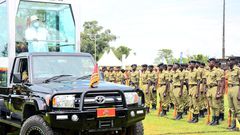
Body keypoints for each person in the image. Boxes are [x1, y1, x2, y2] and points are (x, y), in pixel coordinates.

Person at [206, 58, 222, 126]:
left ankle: (216, 120)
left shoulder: (217, 71)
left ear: (214, 63)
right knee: (211, 105)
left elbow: (219, 82)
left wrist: (218, 92)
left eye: (210, 62)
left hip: (215, 88)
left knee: (216, 105)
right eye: (209, 62)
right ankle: (213, 119)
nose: (209, 63)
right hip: (209, 89)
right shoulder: (208, 71)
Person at [226, 58, 240, 130]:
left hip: (236, 88)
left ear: (234, 62)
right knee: (232, 108)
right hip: (229, 88)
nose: (229, 62)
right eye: (228, 61)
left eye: (230, 60)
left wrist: (239, 94)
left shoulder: (238, 69)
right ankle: (234, 125)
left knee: (237, 108)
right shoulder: (228, 70)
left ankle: (238, 125)